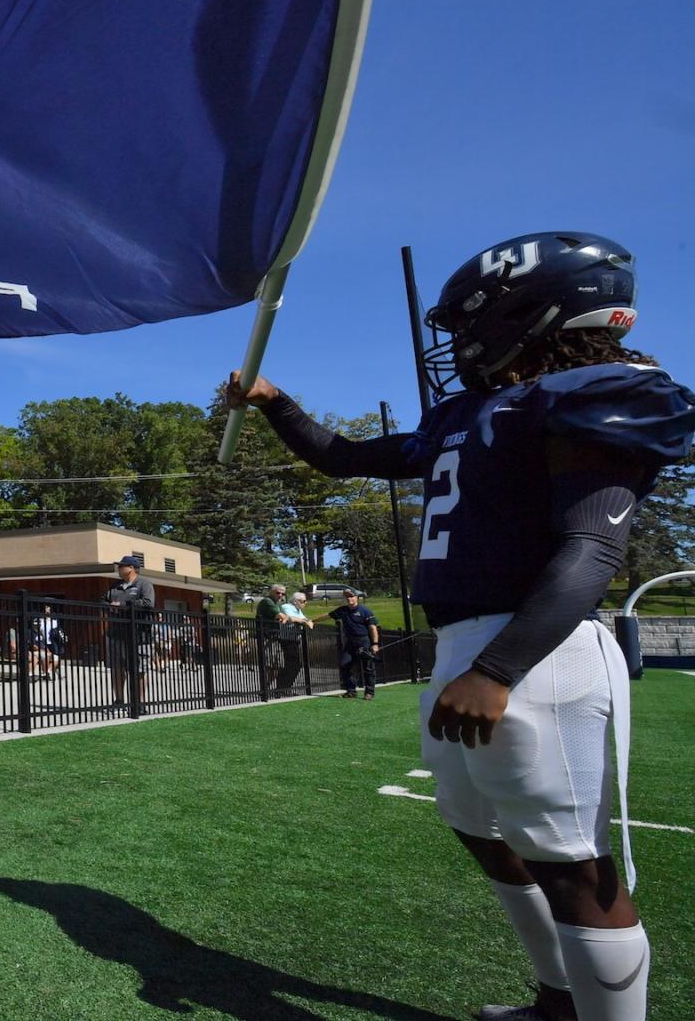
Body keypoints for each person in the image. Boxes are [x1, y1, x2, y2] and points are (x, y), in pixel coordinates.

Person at [227, 231, 695, 1021]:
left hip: (534, 648)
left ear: (526, 313)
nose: (455, 345)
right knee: (479, 827)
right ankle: (557, 999)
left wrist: (499, 668)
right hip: (465, 644)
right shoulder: (470, 413)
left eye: (466, 324)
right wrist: (277, 404)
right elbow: (344, 459)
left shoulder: (589, 391)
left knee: (571, 862)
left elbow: (593, 548)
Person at [105, 555, 155, 707]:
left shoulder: (144, 584)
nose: (119, 569)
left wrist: (122, 604)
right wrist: (110, 606)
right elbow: (103, 601)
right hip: (116, 633)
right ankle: (119, 701)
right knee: (117, 669)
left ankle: (139, 704)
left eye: (121, 566)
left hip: (139, 634)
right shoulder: (114, 586)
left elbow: (148, 603)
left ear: (132, 568)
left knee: (139, 669)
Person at [329, 589, 380, 700]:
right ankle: (351, 691)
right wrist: (311, 621)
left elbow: (373, 628)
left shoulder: (365, 611)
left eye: (351, 596)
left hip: (364, 641)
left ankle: (369, 692)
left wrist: (375, 644)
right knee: (345, 665)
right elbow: (328, 615)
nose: (349, 599)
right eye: (347, 597)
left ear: (357, 597)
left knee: (368, 668)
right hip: (350, 642)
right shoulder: (342, 610)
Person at [273, 591, 313, 698]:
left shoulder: (298, 610)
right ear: (296, 601)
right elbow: (291, 618)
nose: (305, 603)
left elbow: (305, 619)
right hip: (286, 640)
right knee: (292, 665)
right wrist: (304, 621)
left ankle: (285, 688)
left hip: (294, 640)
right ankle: (281, 689)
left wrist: (304, 620)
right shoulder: (286, 607)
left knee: (295, 665)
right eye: (303, 601)